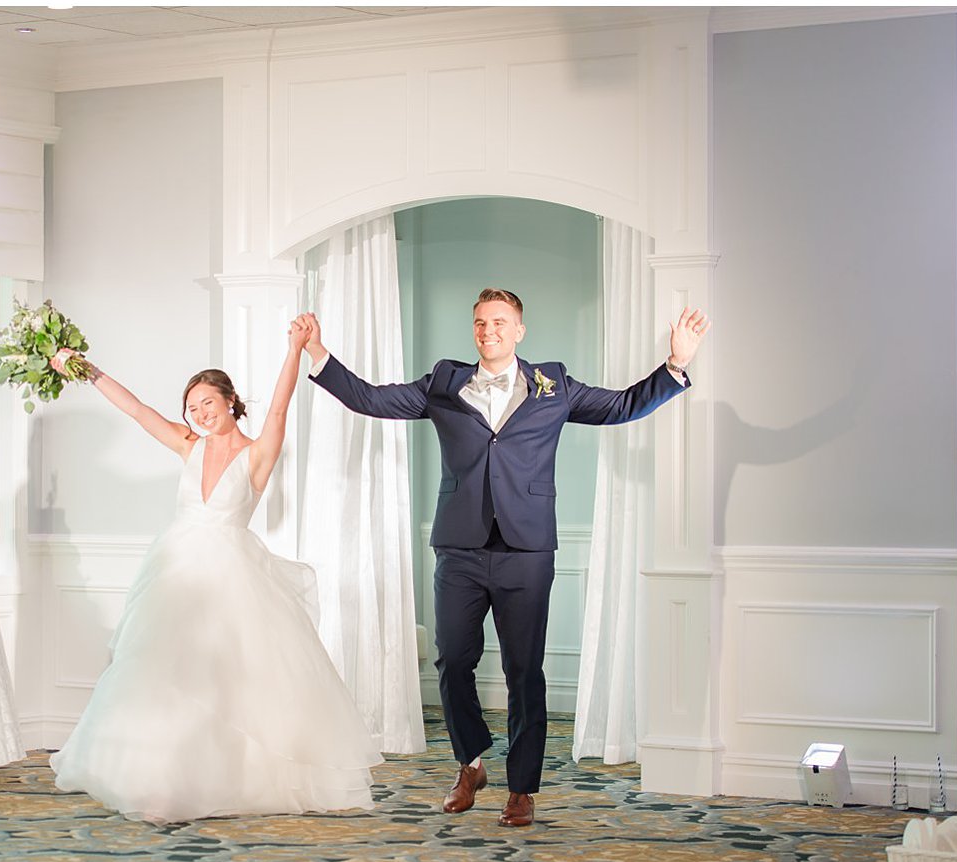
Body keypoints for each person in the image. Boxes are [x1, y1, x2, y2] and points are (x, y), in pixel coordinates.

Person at [302, 290, 709, 827]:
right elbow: (372, 398)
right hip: (460, 546)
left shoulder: (555, 384)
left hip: (527, 549)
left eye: (498, 322)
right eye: (479, 322)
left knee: (524, 671)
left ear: (519, 330)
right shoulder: (443, 384)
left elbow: (621, 406)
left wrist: (675, 363)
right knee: (452, 662)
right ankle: (470, 764)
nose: (487, 330)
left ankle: (521, 789)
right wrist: (318, 354)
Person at [46, 319, 383, 823]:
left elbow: (279, 407)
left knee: (226, 680)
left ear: (230, 401)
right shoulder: (188, 444)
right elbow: (136, 409)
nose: (199, 413)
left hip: (232, 576)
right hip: (174, 571)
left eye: (208, 402)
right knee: (162, 673)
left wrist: (295, 349)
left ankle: (225, 780)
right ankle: (159, 783)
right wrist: (82, 368)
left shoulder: (257, 454)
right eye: (192, 406)